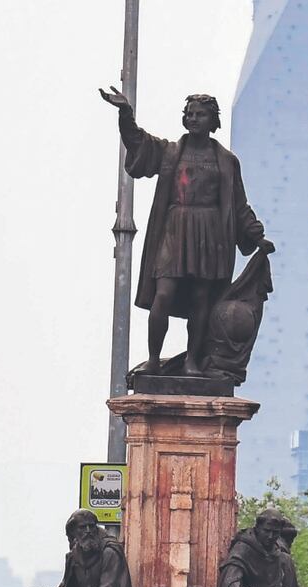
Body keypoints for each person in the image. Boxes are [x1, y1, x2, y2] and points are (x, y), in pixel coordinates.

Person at [99, 87, 276, 376]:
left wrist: (257, 236)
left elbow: (239, 204)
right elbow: (138, 143)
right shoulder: (170, 152)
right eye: (189, 114)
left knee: (201, 299)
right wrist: (125, 115)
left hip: (210, 234)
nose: (193, 119)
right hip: (174, 230)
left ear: (213, 121)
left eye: (200, 115)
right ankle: (154, 359)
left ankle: (193, 361)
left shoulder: (226, 161)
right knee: (164, 293)